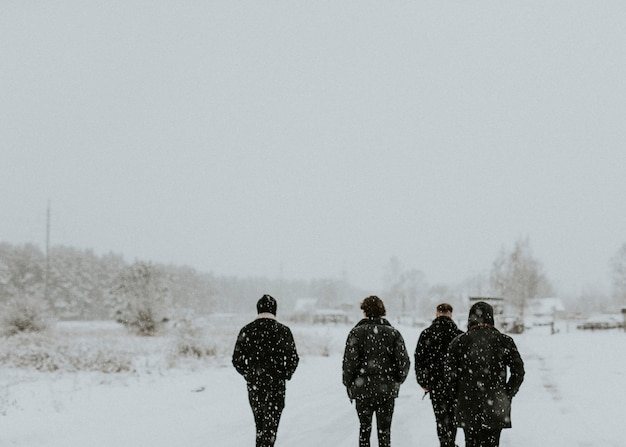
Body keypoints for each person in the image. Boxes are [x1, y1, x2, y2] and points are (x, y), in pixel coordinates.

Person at [446, 301, 525, 447]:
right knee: (492, 442)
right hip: (495, 406)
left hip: (467, 405)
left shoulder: (459, 342)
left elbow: (449, 376)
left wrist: (457, 395)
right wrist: (507, 394)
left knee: (470, 442)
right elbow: (518, 372)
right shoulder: (504, 341)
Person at [342, 295, 410, 447]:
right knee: (384, 432)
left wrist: (349, 383)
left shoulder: (356, 333)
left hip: (362, 389)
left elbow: (349, 363)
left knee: (364, 430)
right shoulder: (393, 333)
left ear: (364, 311)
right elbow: (403, 362)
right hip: (386, 390)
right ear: (382, 311)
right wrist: (397, 380)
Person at [232, 294, 299, 447]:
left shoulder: (247, 330)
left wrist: (249, 374)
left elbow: (237, 359)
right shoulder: (284, 331)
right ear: (275, 310)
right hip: (276, 384)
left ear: (258, 309)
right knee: (271, 426)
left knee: (260, 424)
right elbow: (293, 359)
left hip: (255, 385)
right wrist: (285, 374)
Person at [414, 303, 464, 447]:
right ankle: (451, 442)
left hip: (435, 383)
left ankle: (445, 443)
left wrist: (423, 382)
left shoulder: (426, 334)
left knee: (441, 418)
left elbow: (419, 359)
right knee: (453, 417)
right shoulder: (459, 335)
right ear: (451, 315)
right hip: (455, 384)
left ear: (436, 314)